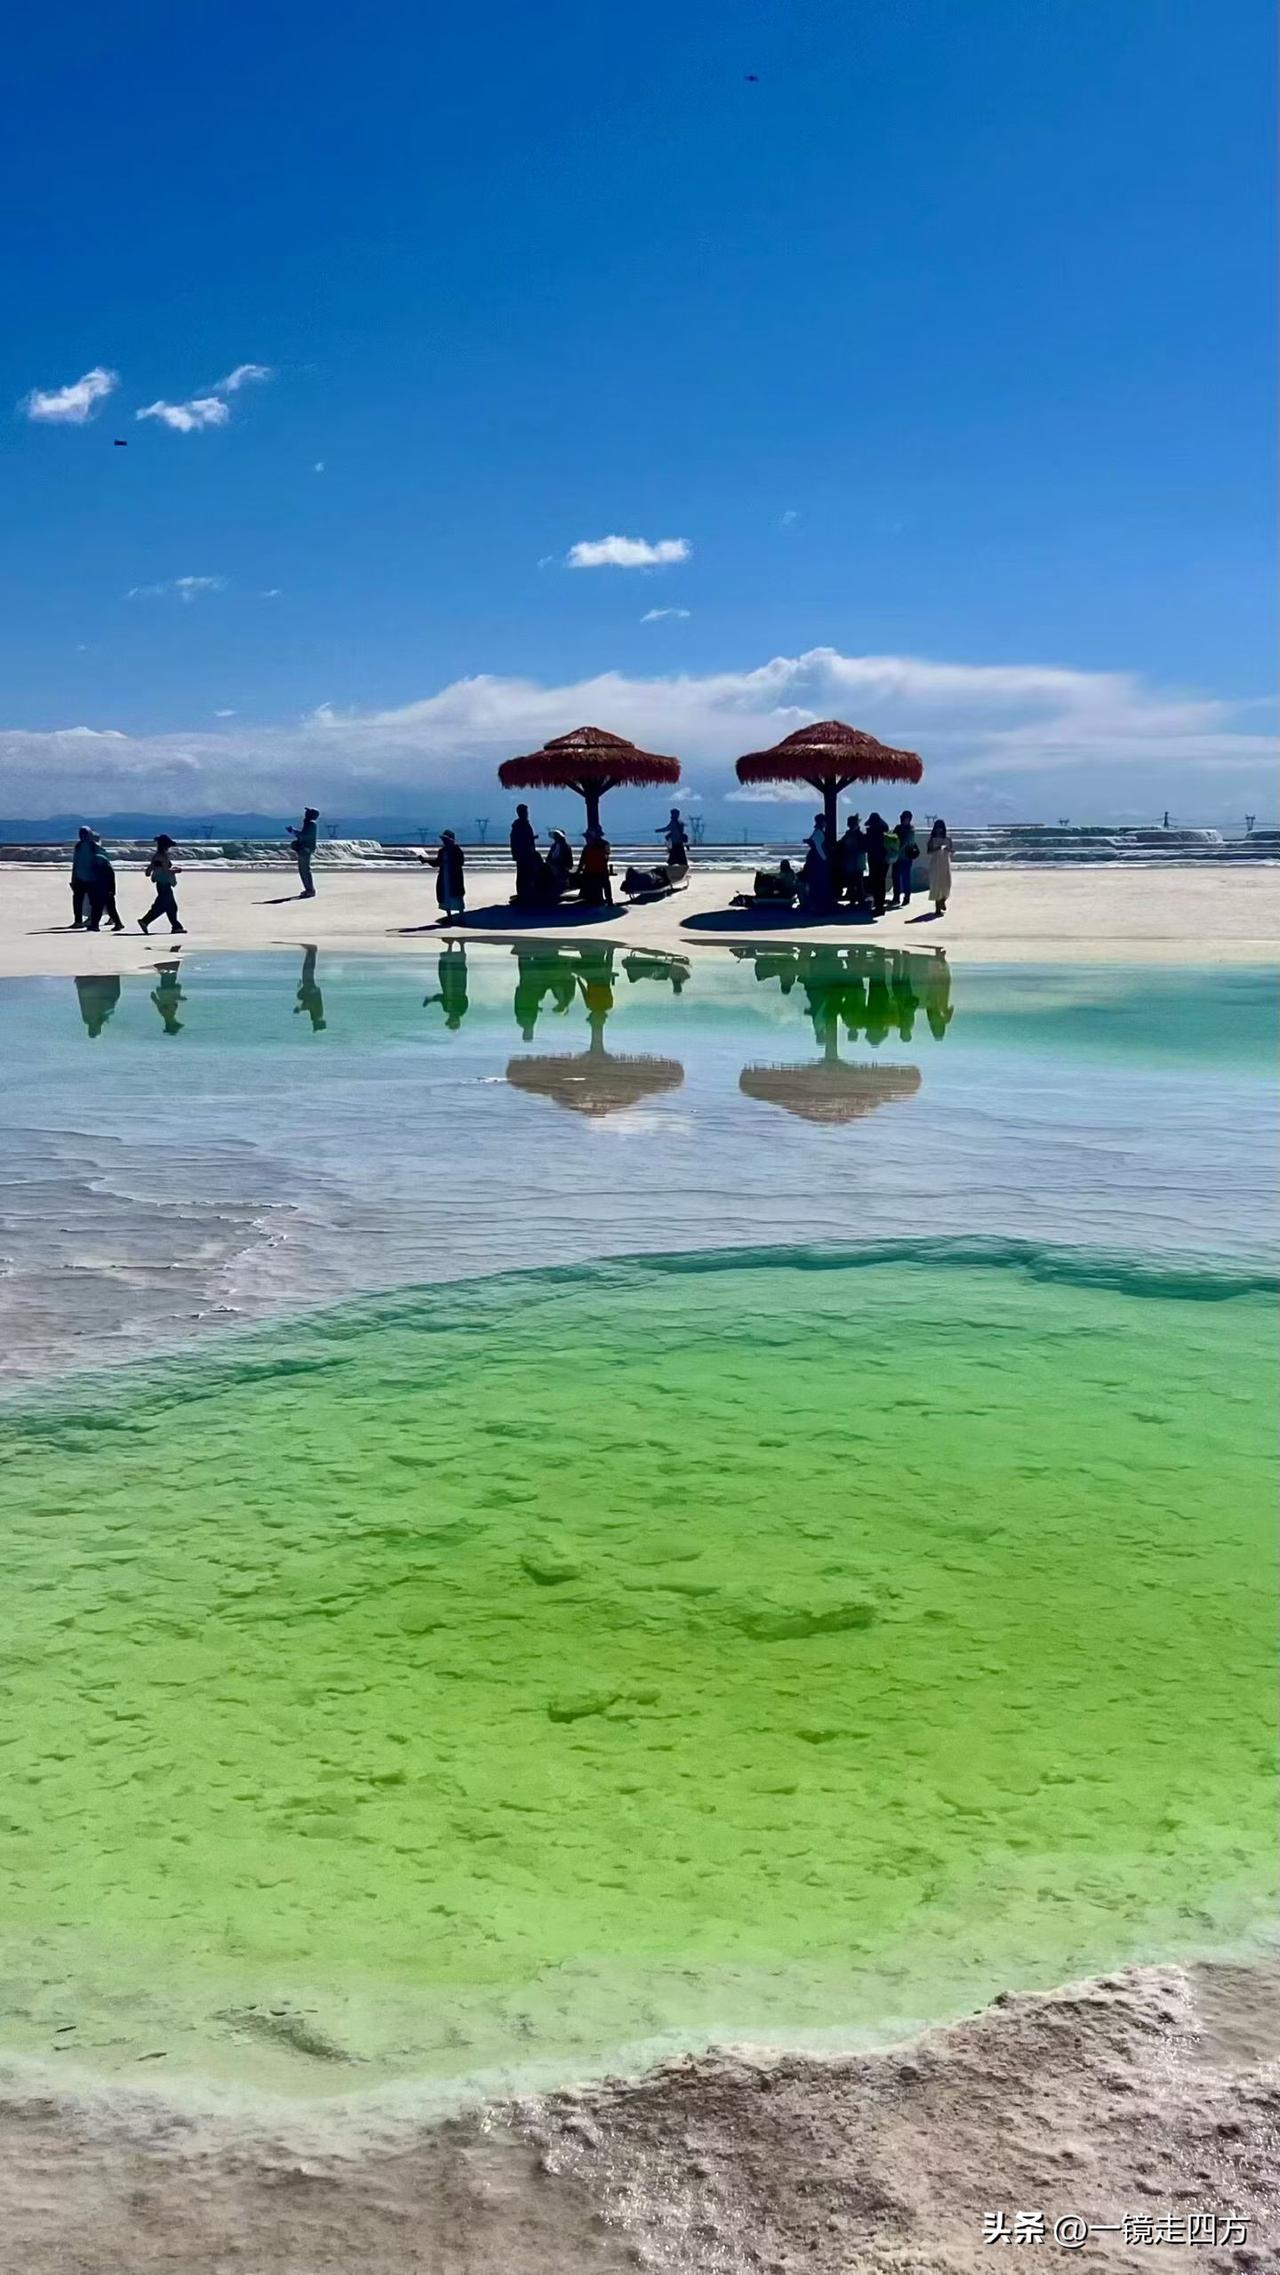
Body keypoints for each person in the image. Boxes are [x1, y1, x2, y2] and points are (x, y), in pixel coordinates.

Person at [139, 836, 185, 935]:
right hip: (163, 884)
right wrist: (175, 871)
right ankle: (145, 921)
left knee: (168, 906)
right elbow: (164, 870)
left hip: (162, 884)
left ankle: (176, 927)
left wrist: (151, 870)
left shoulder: (158, 856)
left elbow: (150, 870)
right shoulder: (160, 856)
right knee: (165, 906)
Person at [422, 829, 465, 922]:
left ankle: (461, 917)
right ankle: (449, 917)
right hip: (445, 877)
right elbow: (437, 862)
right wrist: (426, 860)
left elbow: (460, 862)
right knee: (446, 896)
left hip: (454, 877)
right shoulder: (442, 851)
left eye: (446, 840)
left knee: (457, 897)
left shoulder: (456, 850)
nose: (444, 842)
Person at [87, 841, 124, 932]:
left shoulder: (96, 859)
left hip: (101, 888)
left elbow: (96, 875)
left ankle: (95, 925)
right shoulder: (102, 859)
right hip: (106, 888)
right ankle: (118, 923)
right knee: (110, 908)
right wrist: (112, 889)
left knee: (97, 907)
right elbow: (111, 876)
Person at [510, 804, 542, 905]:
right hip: (525, 855)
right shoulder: (520, 825)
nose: (527, 814)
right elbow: (520, 841)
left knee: (524, 875)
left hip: (524, 855)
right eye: (525, 812)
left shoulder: (520, 825)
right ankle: (524, 894)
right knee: (524, 875)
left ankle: (525, 893)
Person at [74, 973, 121, 1038]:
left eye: (97, 1030)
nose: (99, 1028)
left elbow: (98, 1006)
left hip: (98, 987)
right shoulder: (88, 1019)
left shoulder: (92, 1018)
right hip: (87, 985)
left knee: (115, 995)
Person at [69, 828, 100, 927]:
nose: (82, 836)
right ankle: (78, 921)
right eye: (81, 834)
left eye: (84, 834)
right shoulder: (78, 846)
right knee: (77, 900)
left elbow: (100, 861)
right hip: (79, 877)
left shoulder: (94, 846)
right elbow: (75, 862)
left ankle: (92, 919)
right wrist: (73, 878)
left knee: (93, 901)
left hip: (92, 878)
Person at [288, 808, 320, 898]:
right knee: (304, 870)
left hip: (305, 850)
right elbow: (304, 836)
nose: (305, 814)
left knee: (304, 870)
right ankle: (308, 889)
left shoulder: (311, 824)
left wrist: (294, 831)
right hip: (305, 849)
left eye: (307, 812)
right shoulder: (309, 824)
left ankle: (310, 890)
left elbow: (304, 836)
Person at [578, 824, 613, 906]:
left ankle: (608, 901)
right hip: (591, 871)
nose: (587, 839)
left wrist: (580, 868)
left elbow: (606, 857)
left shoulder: (604, 844)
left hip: (599, 870)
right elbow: (582, 860)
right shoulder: (587, 847)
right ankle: (599, 900)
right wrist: (579, 869)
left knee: (605, 885)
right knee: (595, 886)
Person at [294, 945, 327, 1031]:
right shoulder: (317, 1015)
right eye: (314, 1025)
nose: (313, 1024)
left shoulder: (318, 1015)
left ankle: (311, 952)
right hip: (311, 990)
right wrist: (300, 1008)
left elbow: (309, 1005)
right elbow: (310, 1005)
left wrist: (301, 1008)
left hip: (311, 991)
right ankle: (311, 951)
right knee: (307, 970)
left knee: (308, 970)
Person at [891, 810, 919, 907]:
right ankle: (896, 897)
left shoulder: (910, 830)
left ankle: (906, 897)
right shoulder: (898, 828)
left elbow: (909, 842)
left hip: (906, 857)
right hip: (897, 857)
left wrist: (899, 848)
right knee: (896, 878)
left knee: (905, 878)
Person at [863, 812, 890, 915]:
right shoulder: (884, 830)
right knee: (881, 884)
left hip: (874, 861)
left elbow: (867, 846)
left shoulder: (872, 832)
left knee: (876, 884)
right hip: (884, 861)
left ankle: (878, 907)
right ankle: (880, 906)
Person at [838, 814, 867, 907]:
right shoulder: (855, 834)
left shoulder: (855, 835)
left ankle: (858, 900)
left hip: (855, 862)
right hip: (854, 862)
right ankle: (855, 900)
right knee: (854, 882)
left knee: (857, 882)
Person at [927, 817, 953, 915]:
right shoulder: (932, 839)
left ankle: (943, 900)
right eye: (937, 828)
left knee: (946, 884)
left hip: (945, 864)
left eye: (941, 828)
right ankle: (937, 908)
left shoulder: (948, 839)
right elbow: (928, 851)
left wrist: (948, 849)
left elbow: (952, 850)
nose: (939, 830)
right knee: (936, 885)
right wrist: (937, 848)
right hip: (935, 864)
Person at [659, 807, 690, 874]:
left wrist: (658, 830)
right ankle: (680, 873)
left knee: (672, 861)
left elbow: (667, 828)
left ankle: (672, 873)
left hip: (676, 845)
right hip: (679, 844)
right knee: (682, 861)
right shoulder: (680, 823)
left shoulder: (673, 823)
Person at [546, 829, 574, 900]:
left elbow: (568, 861)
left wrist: (558, 864)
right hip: (553, 866)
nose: (555, 838)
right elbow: (548, 858)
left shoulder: (566, 847)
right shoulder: (554, 846)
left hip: (561, 867)